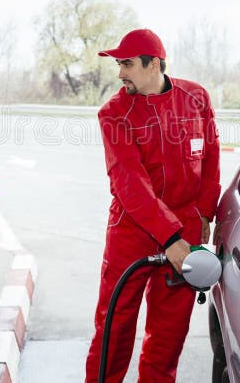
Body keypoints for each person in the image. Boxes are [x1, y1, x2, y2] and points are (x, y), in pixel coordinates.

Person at [85, 28, 221, 382]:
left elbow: (210, 157)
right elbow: (130, 183)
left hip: (185, 231)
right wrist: (169, 237)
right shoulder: (113, 113)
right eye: (119, 65)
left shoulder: (196, 99)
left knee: (167, 338)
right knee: (113, 332)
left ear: (154, 64)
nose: (120, 73)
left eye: (127, 64)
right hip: (131, 231)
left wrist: (205, 211)